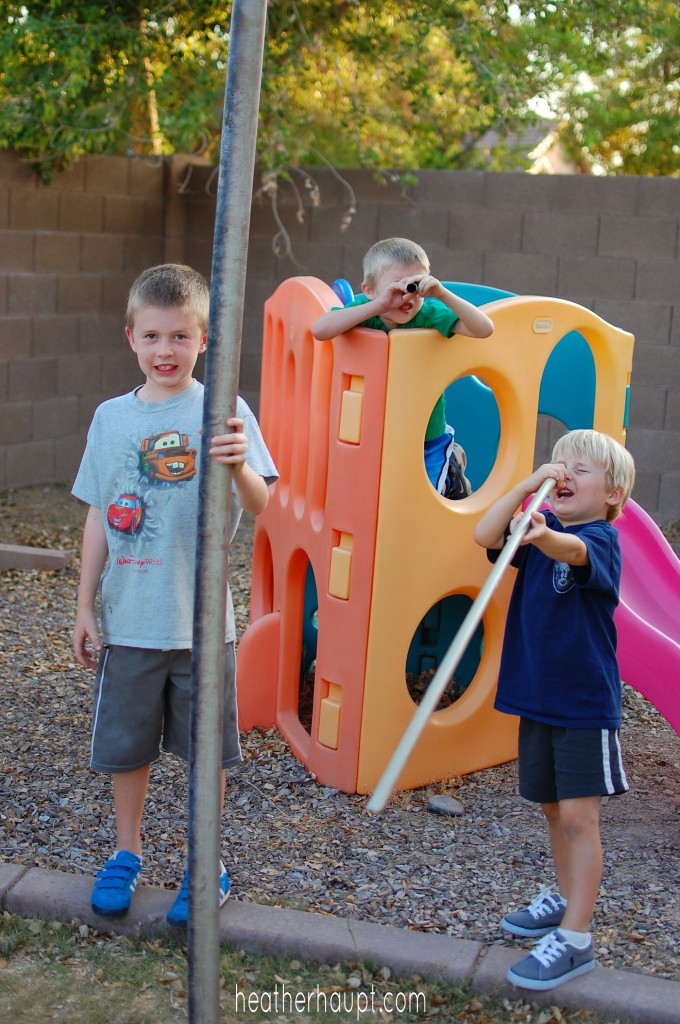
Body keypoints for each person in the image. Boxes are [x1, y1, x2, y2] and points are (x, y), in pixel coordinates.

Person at [71, 263, 278, 927]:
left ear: (204, 341)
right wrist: (83, 606)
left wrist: (240, 463)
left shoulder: (226, 411)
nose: (166, 351)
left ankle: (203, 860)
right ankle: (125, 853)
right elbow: (100, 512)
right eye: (153, 336)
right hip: (129, 620)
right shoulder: (110, 419)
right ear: (131, 338)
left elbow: (263, 503)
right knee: (127, 749)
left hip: (201, 626)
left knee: (203, 753)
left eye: (180, 337)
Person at [473, 428, 636, 991]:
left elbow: (575, 552)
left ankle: (576, 939)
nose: (564, 474)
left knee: (577, 816)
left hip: (583, 702)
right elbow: (483, 531)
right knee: (549, 809)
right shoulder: (538, 528)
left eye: (580, 470)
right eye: (558, 464)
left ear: (613, 494)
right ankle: (567, 902)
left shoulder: (598, 538)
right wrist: (530, 484)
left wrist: (543, 535)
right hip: (535, 696)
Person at [311, 237, 493, 499]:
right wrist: (380, 304)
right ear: (370, 289)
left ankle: (451, 468)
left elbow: (485, 329)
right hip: (374, 434)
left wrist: (441, 294)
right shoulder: (367, 311)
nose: (407, 296)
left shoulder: (429, 313)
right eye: (396, 287)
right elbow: (320, 329)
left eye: (415, 285)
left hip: (427, 435)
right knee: (375, 496)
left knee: (426, 496)